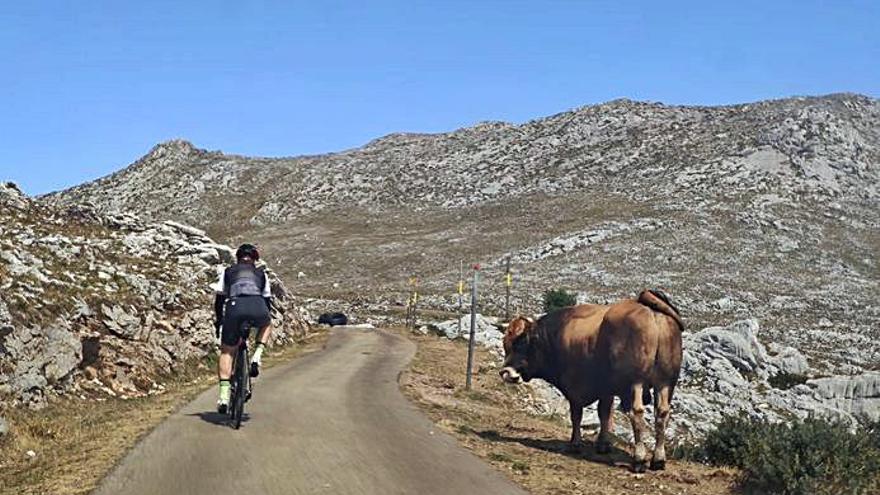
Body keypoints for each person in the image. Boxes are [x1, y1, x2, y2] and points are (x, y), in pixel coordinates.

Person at [212, 243, 274, 414]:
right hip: (257, 304)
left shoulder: (228, 272)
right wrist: (262, 315)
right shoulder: (261, 274)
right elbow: (267, 300)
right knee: (267, 324)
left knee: (227, 352)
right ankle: (257, 356)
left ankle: (224, 396)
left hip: (234, 306)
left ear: (238, 258)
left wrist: (219, 321)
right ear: (255, 260)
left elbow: (219, 299)